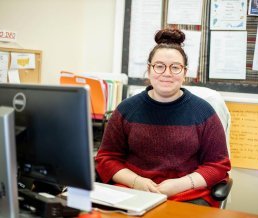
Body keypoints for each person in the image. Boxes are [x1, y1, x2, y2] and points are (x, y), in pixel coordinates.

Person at [95, 28, 231, 207]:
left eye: (175, 67)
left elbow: (218, 166)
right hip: (133, 193)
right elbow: (106, 158)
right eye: (159, 66)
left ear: (185, 73)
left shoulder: (204, 112)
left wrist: (179, 184)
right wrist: (137, 182)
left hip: (187, 197)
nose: (167, 73)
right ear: (149, 69)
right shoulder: (126, 110)